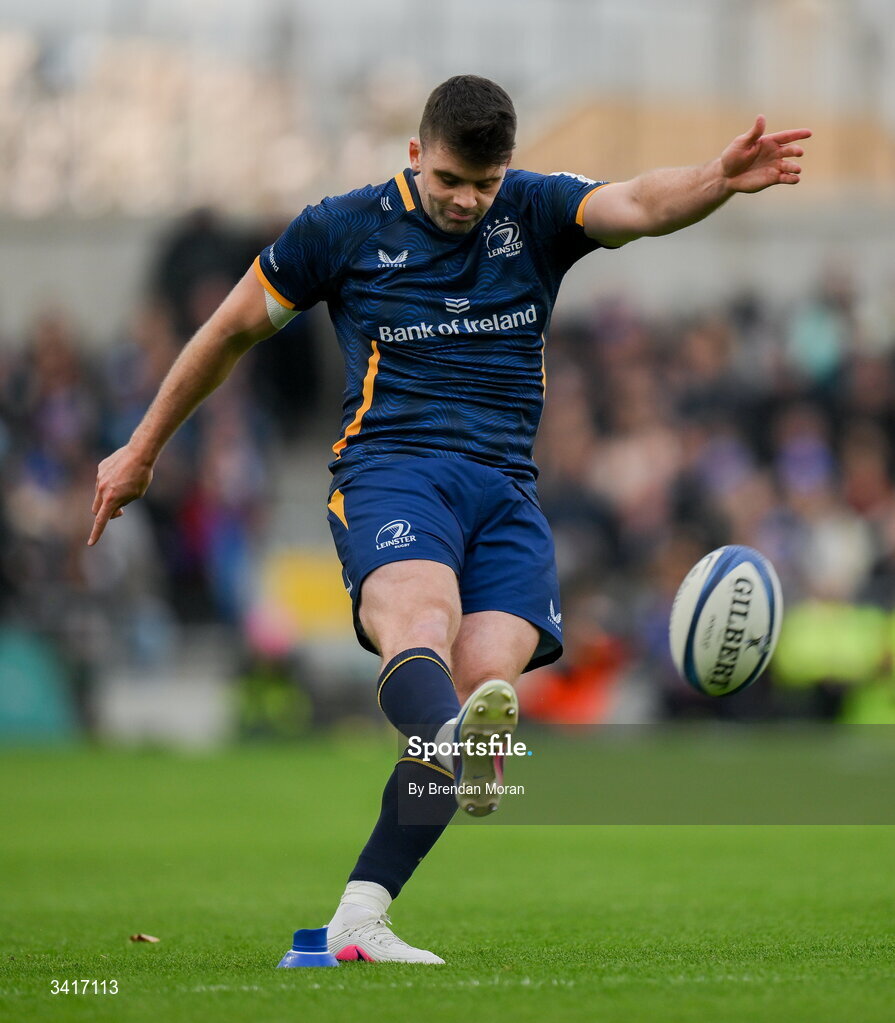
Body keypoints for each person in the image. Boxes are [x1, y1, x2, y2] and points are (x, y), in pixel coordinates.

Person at [89, 75, 810, 964]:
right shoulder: (342, 228)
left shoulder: (535, 210)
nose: (468, 200)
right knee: (423, 631)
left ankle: (357, 921)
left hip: (506, 491)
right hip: (392, 472)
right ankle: (452, 749)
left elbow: (636, 203)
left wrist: (714, 176)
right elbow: (230, 329)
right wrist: (143, 447)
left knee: (479, 695)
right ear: (413, 157)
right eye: (448, 181)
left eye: (485, 182)